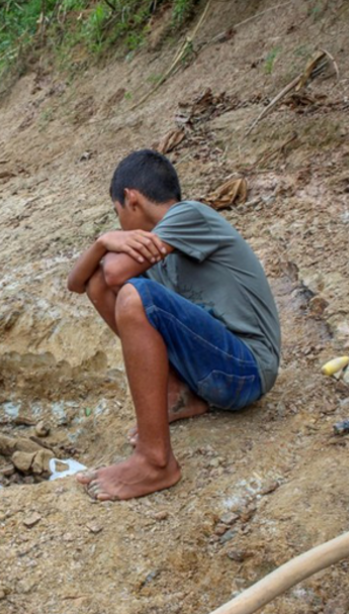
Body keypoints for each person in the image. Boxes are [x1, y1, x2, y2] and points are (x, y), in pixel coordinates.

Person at [66, 150, 281, 501]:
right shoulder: (154, 250)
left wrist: (111, 248)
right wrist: (102, 241)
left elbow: (118, 272)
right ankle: (180, 394)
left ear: (130, 199)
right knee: (100, 285)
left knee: (135, 295)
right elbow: (80, 284)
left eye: (116, 213)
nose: (119, 224)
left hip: (247, 369)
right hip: (217, 372)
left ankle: (155, 462)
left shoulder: (190, 215)